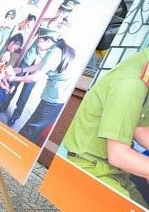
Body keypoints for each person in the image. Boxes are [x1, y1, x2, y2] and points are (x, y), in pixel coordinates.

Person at [62, 48, 149, 208]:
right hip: (89, 169)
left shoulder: (144, 72)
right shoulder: (132, 83)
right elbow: (118, 155)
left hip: (114, 172)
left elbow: (139, 128)